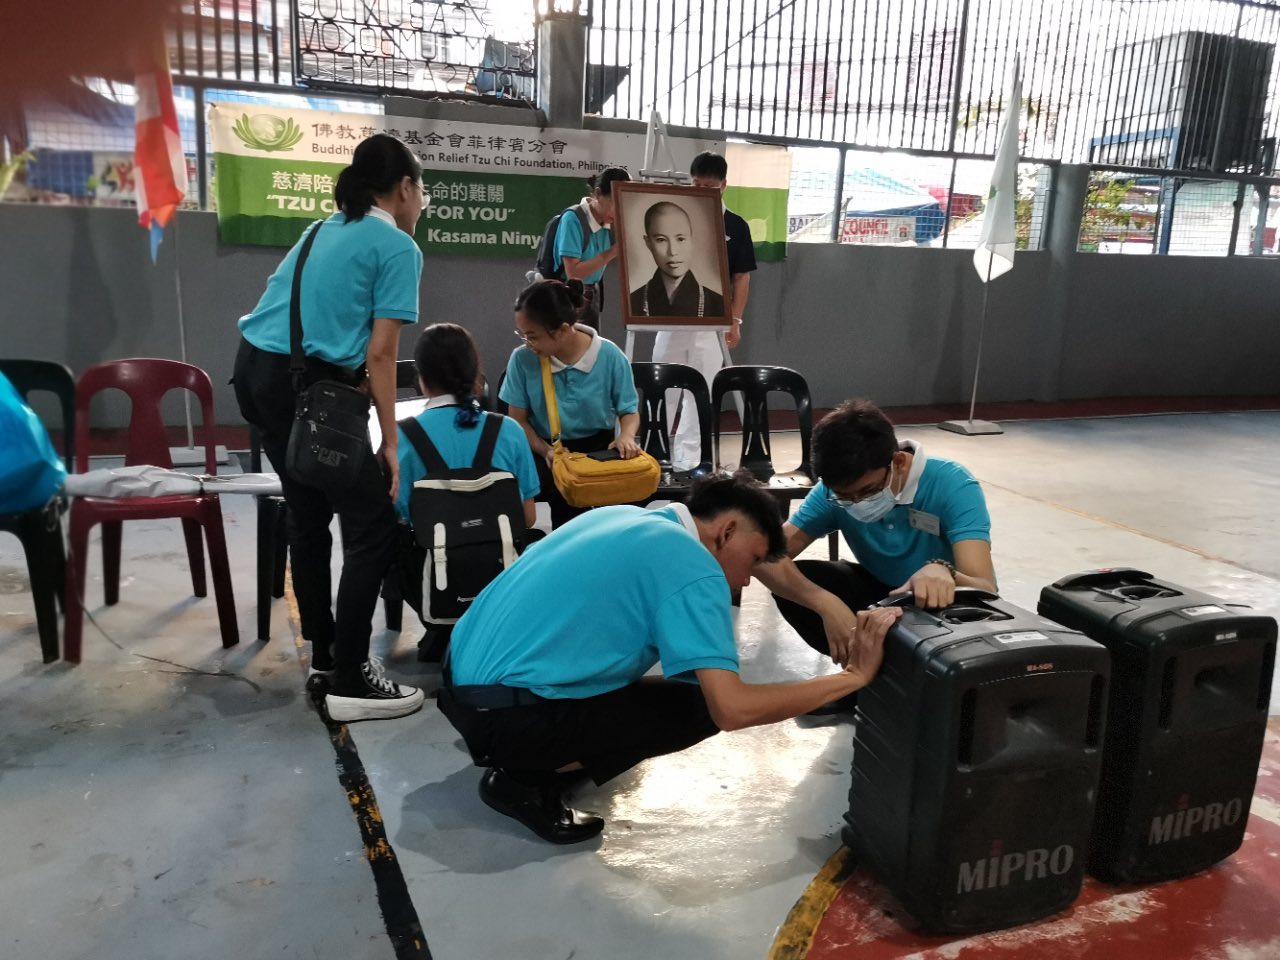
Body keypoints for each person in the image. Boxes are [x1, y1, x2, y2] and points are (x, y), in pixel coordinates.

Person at [436, 473, 900, 844]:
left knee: (677, 683)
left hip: (461, 680)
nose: (749, 580)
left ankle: (545, 751)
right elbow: (732, 709)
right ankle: (525, 779)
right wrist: (853, 678)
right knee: (698, 708)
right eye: (754, 560)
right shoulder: (692, 566)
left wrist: (820, 601)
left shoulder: (632, 518)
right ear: (728, 531)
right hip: (501, 718)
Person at [233, 133, 427, 724]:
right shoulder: (395, 245)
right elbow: (383, 354)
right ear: (404, 188)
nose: (421, 204)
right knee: (372, 523)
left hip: (256, 375)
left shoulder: (321, 229)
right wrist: (391, 443)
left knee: (308, 516)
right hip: (310, 390)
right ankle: (350, 676)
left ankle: (323, 656)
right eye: (422, 192)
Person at [754, 399, 997, 709]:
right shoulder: (830, 494)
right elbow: (764, 556)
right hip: (884, 594)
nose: (857, 503)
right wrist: (826, 604)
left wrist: (943, 571)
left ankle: (908, 691)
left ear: (897, 462)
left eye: (868, 492)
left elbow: (985, 587)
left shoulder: (950, 483)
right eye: (845, 497)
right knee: (802, 583)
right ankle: (863, 684)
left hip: (943, 606)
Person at [394, 323, 541, 661]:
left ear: (421, 378)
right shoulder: (508, 430)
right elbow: (528, 516)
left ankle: (440, 628)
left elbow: (402, 518)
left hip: (434, 580)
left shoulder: (402, 437)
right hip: (500, 580)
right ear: (477, 373)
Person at [500, 279, 641, 529]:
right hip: (546, 450)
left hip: (599, 446)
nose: (527, 344)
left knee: (621, 509)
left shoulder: (610, 355)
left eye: (533, 336)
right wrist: (546, 451)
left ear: (563, 330)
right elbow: (517, 419)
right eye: (522, 335)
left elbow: (628, 410)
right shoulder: (522, 359)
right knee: (562, 508)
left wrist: (626, 436)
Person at [652, 151, 758, 470]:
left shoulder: (736, 226)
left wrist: (735, 320)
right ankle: (654, 454)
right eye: (696, 183)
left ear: (724, 185)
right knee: (662, 383)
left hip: (711, 320)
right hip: (671, 316)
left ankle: (689, 462)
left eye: (709, 186)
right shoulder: (673, 218)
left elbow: (741, 277)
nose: (701, 190)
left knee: (702, 389)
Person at [553, 166, 632, 329]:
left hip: (591, 295)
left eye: (623, 204)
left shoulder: (612, 221)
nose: (617, 211)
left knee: (589, 350)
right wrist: (615, 251)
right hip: (564, 295)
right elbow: (573, 273)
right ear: (597, 194)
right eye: (612, 202)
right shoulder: (573, 219)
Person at [628, 201, 727, 318]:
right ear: (648, 242)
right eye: (661, 240)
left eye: (680, 239)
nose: (672, 251)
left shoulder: (717, 303)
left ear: (692, 239)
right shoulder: (633, 302)